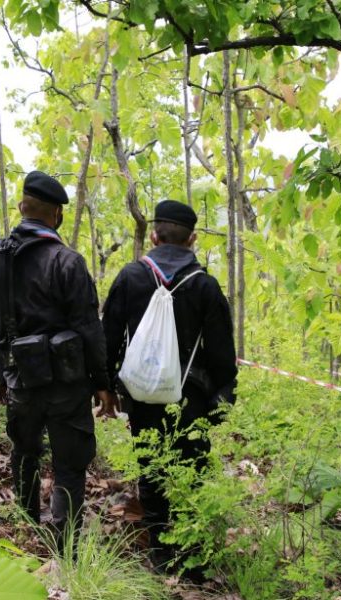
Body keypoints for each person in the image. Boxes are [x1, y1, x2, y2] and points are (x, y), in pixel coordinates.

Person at [0, 171, 110, 542]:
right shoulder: (67, 262)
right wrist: (103, 383)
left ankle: (27, 532)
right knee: (68, 465)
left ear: (21, 209)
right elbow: (88, 328)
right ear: (57, 215)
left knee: (24, 452)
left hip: (20, 382)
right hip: (66, 385)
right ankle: (65, 550)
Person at [101, 199, 237, 569]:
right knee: (190, 469)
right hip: (190, 398)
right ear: (192, 239)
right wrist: (222, 399)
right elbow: (224, 353)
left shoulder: (130, 277)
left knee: (150, 465)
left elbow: (109, 337)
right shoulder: (206, 287)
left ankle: (160, 550)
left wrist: (104, 387)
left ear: (155, 235)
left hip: (142, 394)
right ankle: (192, 557)